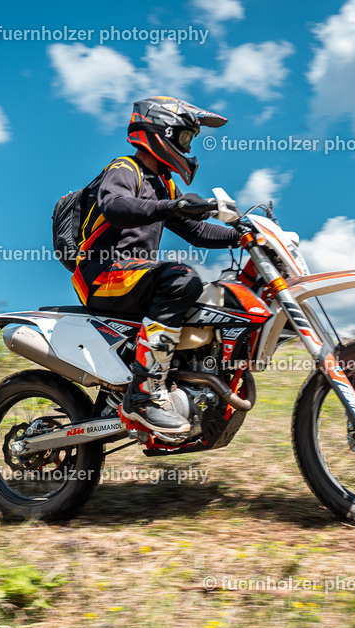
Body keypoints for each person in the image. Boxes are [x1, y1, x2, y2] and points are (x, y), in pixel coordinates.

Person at [70, 96, 239, 436]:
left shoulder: (163, 184)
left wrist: (243, 236)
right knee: (180, 279)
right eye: (186, 138)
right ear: (163, 131)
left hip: (132, 275)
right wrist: (172, 206)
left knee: (207, 296)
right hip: (102, 272)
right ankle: (145, 393)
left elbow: (198, 232)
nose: (189, 148)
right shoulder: (124, 169)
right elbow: (116, 207)